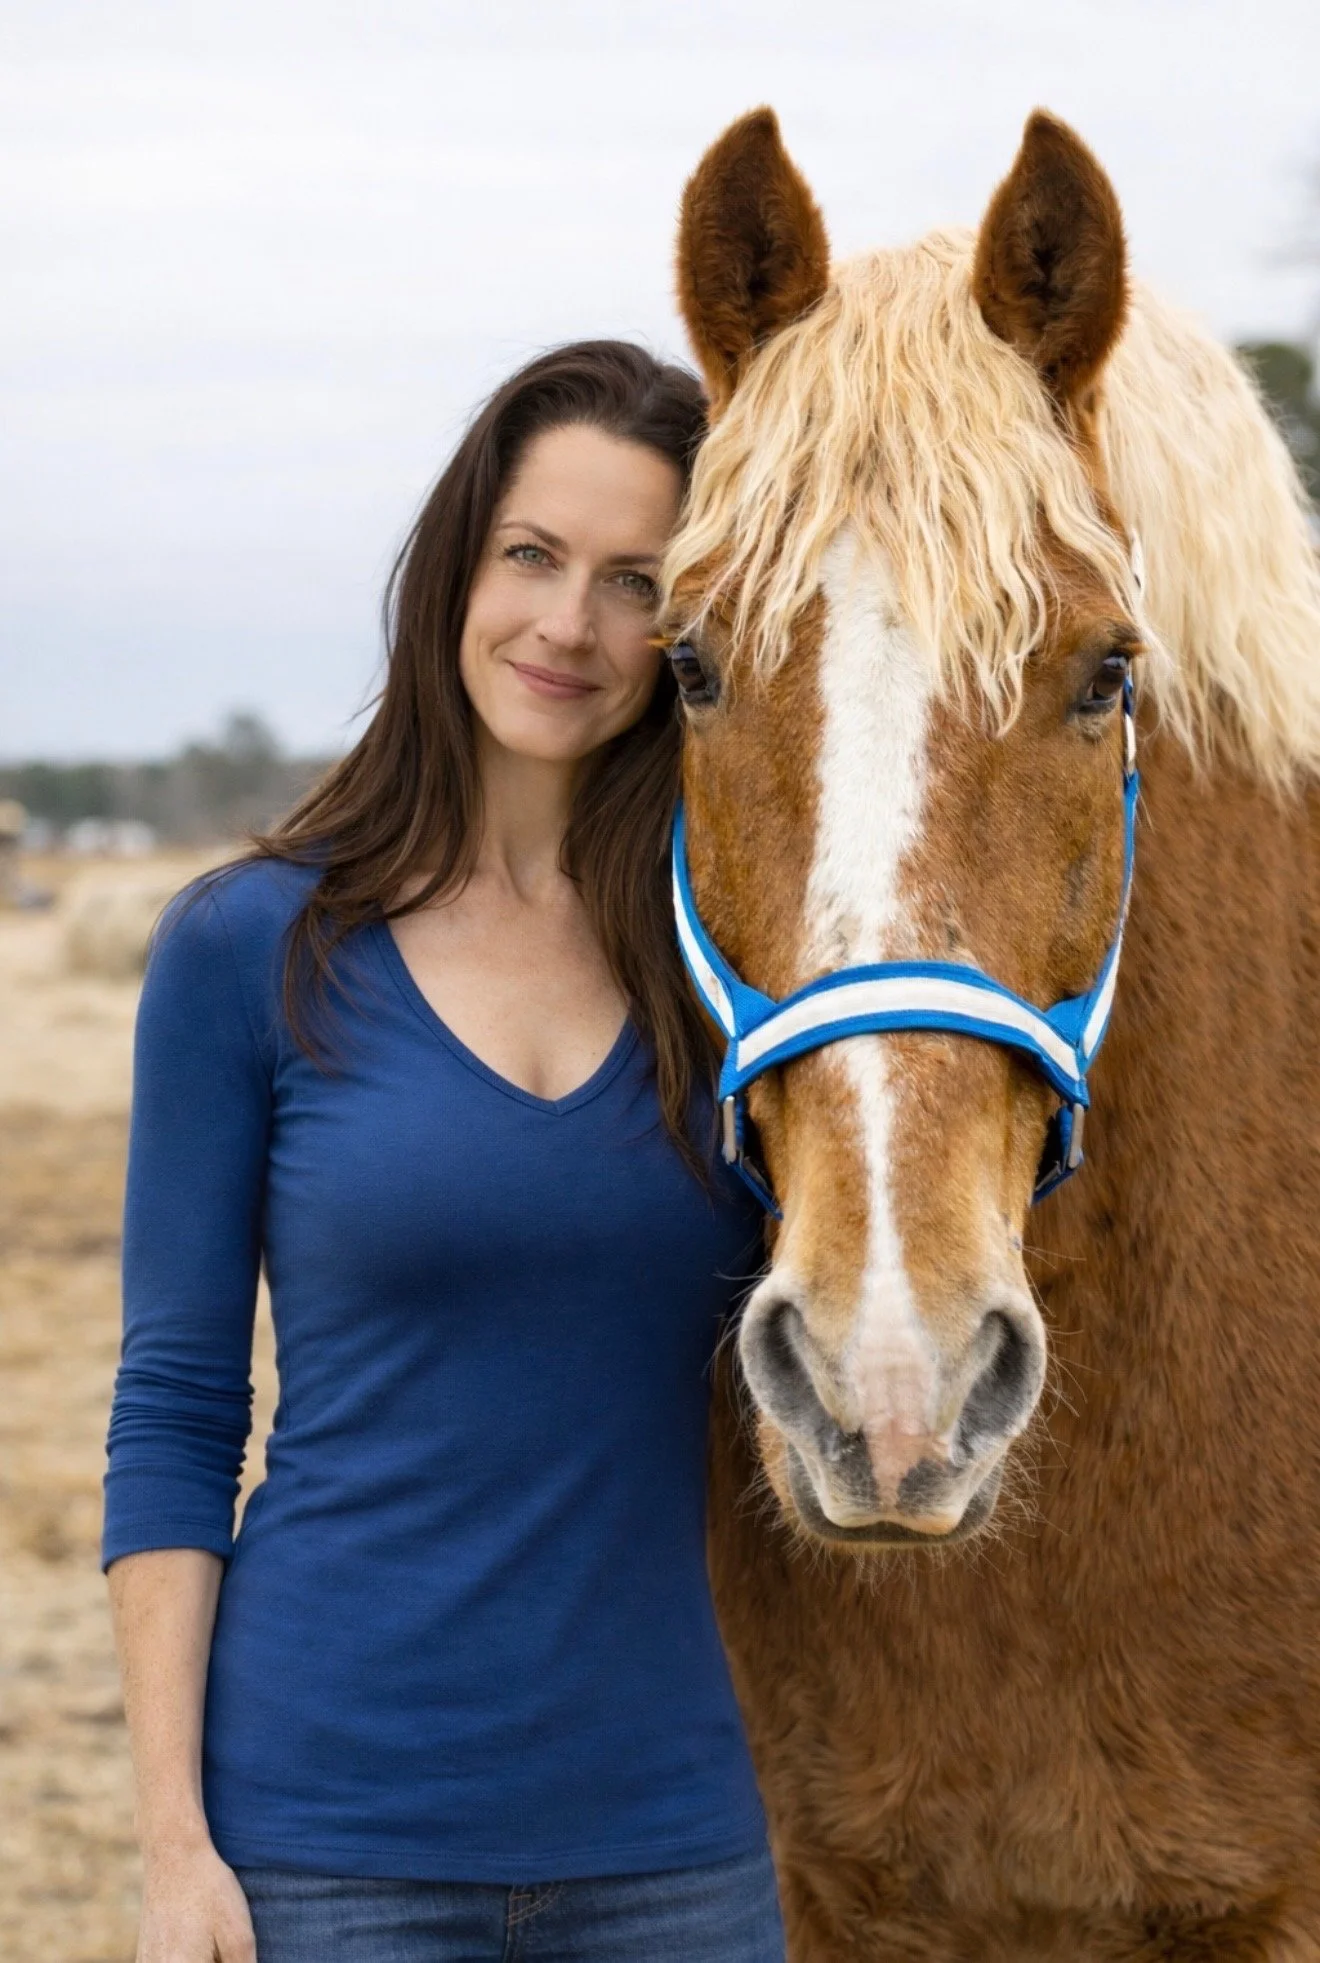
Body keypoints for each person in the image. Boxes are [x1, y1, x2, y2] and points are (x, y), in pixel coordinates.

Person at [102, 342, 783, 1963]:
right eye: (532, 556)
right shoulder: (248, 947)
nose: (569, 625)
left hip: (678, 1848)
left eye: (636, 581)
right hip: (323, 1849)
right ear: (454, 567)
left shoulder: (737, 975)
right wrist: (174, 1844)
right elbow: (179, 1409)